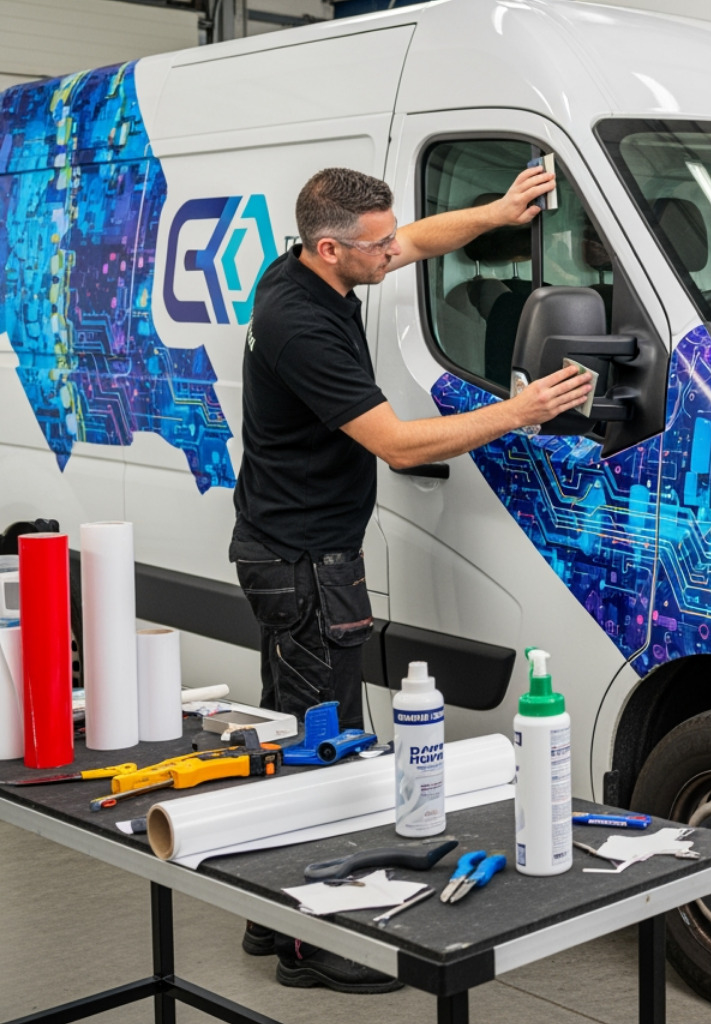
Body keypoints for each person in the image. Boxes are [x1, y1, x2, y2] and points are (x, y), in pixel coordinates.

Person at [230, 165, 592, 993]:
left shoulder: (308, 265)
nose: (395, 252)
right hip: (305, 565)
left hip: (295, 552)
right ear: (332, 249)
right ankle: (306, 945)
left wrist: (499, 212)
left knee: (295, 737)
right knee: (323, 753)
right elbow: (397, 444)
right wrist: (520, 412)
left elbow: (420, 240)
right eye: (378, 244)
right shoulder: (299, 323)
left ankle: (263, 915)